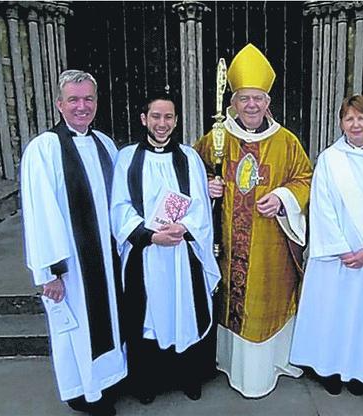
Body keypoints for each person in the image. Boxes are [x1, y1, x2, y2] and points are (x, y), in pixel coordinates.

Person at [194, 43, 313, 398]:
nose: (250, 105)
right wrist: (207, 185)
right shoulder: (215, 140)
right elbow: (187, 177)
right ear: (232, 102)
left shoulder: (286, 141)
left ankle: (270, 365)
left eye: (257, 98)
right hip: (228, 244)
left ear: (267, 102)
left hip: (271, 247)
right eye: (244, 98)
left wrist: (282, 198)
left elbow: (305, 178)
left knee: (268, 298)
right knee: (230, 300)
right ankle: (229, 363)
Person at [21, 70, 125, 416]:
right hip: (71, 266)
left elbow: (120, 203)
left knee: (108, 319)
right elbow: (40, 214)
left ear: (97, 102)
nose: (82, 106)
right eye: (74, 100)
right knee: (76, 326)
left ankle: (108, 381)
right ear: (59, 104)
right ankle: (82, 393)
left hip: (106, 260)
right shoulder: (44, 149)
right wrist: (49, 271)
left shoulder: (105, 145)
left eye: (89, 99)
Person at [290, 94, 363, 396]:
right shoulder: (330, 159)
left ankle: (359, 372)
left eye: (362, 118)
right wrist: (342, 249)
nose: (356, 124)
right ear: (341, 122)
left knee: (361, 316)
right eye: (349, 118)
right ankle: (328, 368)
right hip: (335, 256)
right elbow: (322, 207)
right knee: (332, 312)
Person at [110, 95, 221, 404]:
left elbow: (200, 204)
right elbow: (118, 207)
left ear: (175, 120)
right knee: (146, 315)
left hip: (181, 253)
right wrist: (148, 236)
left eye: (168, 117)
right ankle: (148, 381)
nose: (162, 123)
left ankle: (189, 376)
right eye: (156, 116)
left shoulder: (188, 157)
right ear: (144, 119)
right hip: (145, 252)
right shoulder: (127, 158)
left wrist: (185, 228)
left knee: (185, 310)